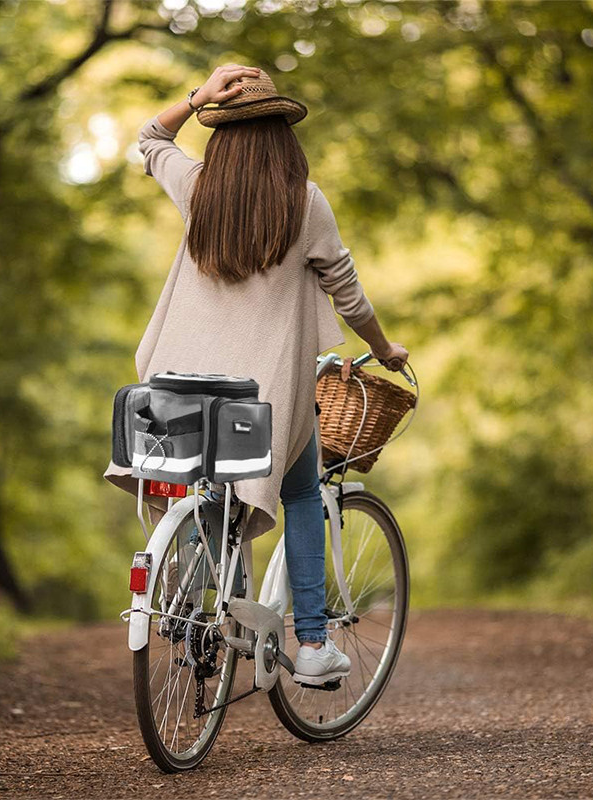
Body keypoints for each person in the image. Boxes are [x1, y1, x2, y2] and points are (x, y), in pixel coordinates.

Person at [103, 64, 408, 685]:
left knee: (195, 485)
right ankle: (316, 646)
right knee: (300, 492)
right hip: (260, 400)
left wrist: (196, 97)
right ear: (282, 138)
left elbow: (149, 138)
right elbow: (348, 297)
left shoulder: (198, 189)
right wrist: (385, 348)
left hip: (178, 391)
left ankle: (193, 609)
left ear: (221, 135)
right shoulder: (305, 203)